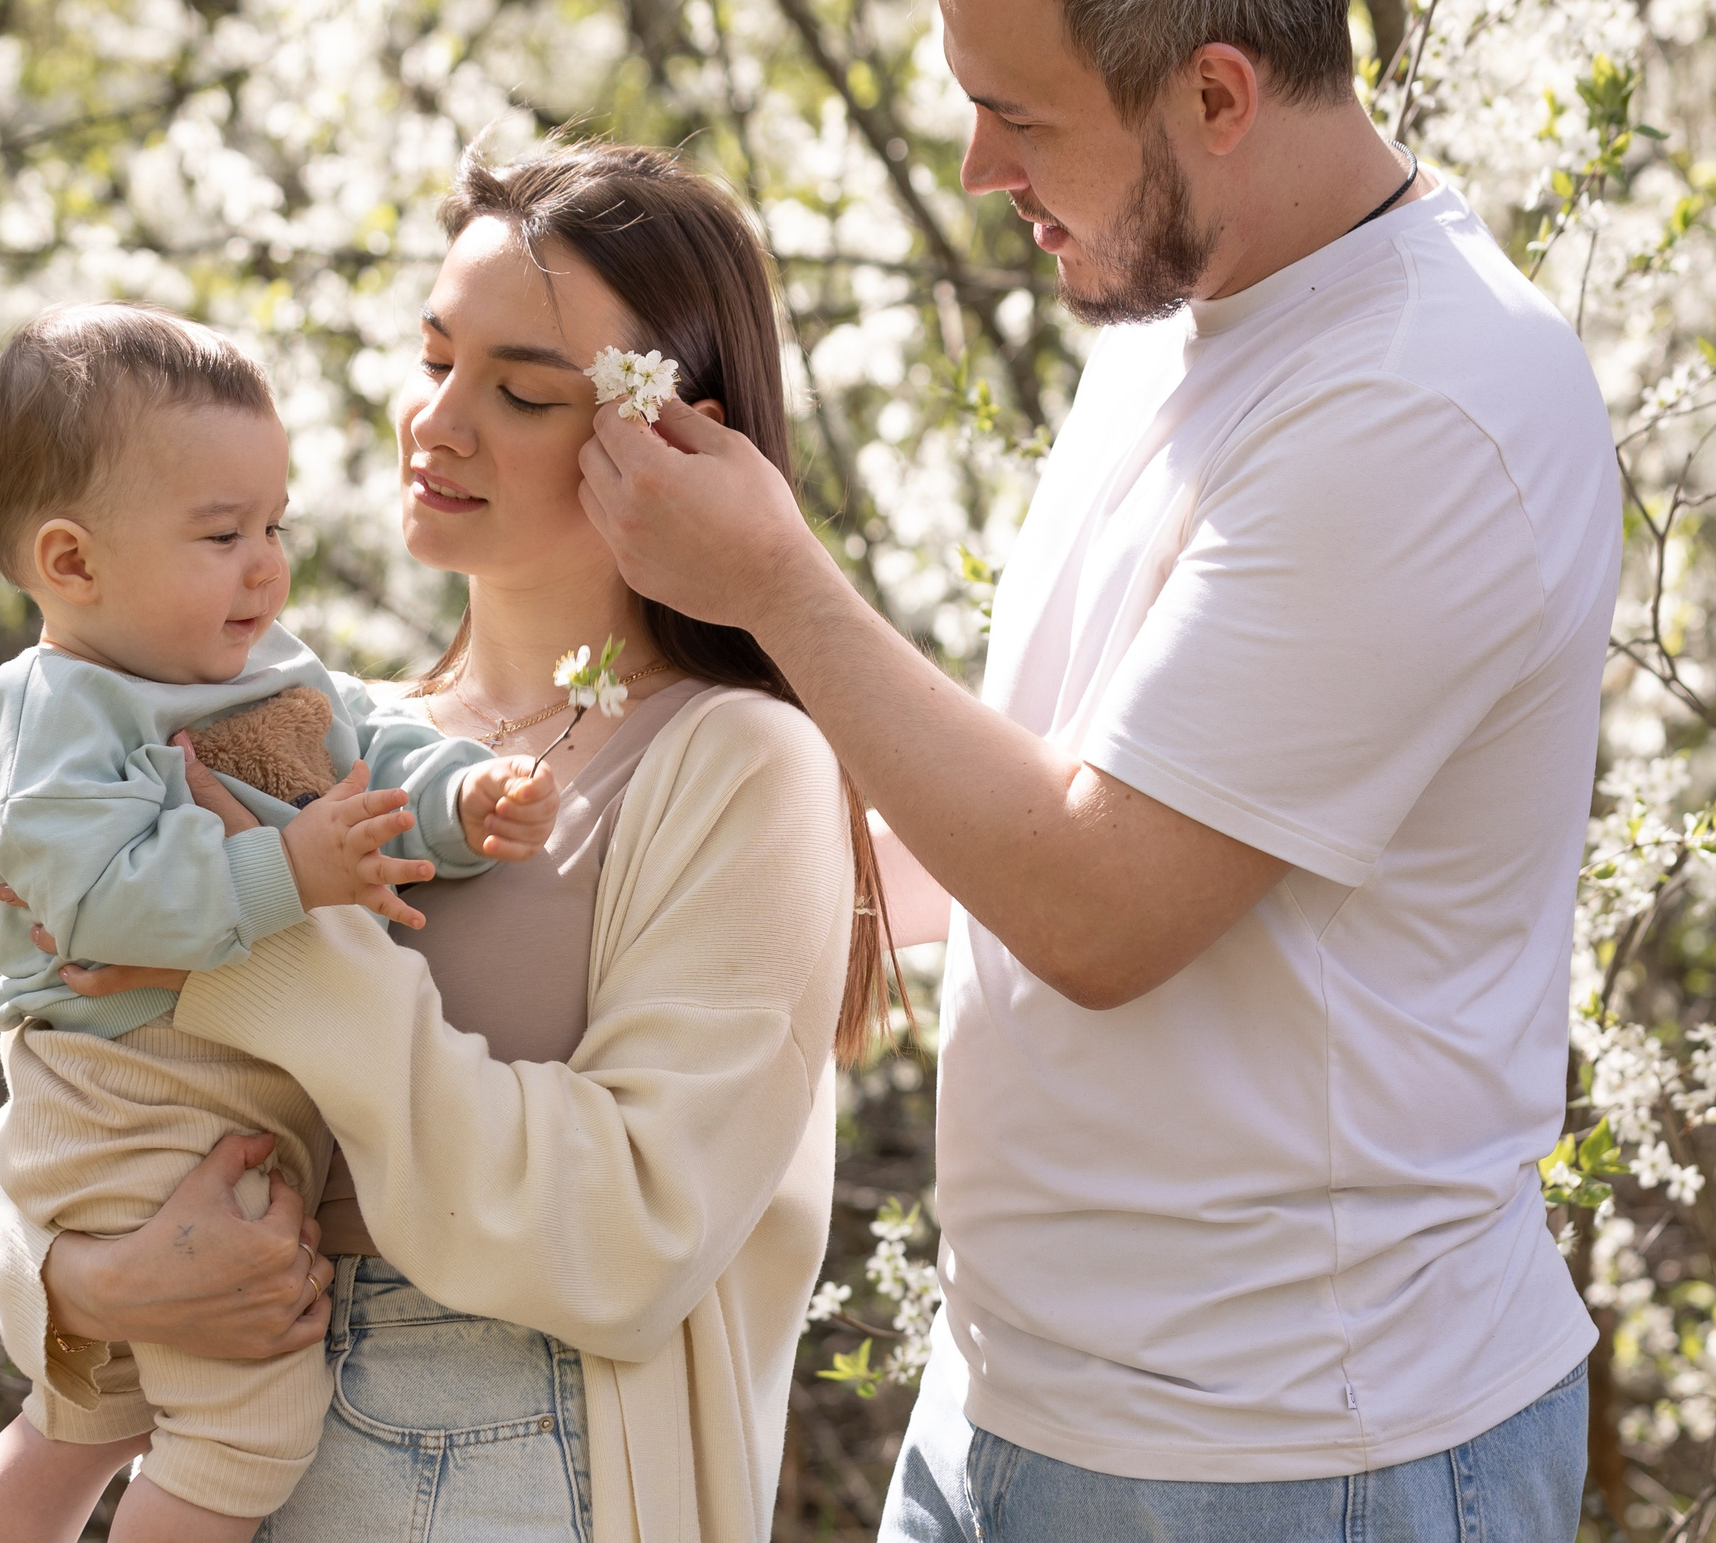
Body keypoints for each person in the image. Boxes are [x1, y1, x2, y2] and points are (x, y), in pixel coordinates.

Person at [570, 0, 1621, 1536]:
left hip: (1293, 1459)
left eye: (1025, 118)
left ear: (1215, 95)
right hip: (1018, 1403)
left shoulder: (1418, 399)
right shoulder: (1183, 308)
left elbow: (1098, 907)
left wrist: (781, 589)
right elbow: (1020, 820)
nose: (981, 167)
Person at [0, 143, 895, 1542]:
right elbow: (71, 1091)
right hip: (241, 1453)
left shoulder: (739, 764)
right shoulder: (331, 727)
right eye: (434, 358)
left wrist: (287, 943)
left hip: (512, 1473)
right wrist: (94, 1284)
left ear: (661, 435)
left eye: (517, 389)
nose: (437, 421)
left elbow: (633, 1234)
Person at [0, 302, 559, 1542]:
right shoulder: (55, 716)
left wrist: (458, 804)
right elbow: (99, 908)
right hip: (135, 1090)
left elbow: (359, 764)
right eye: (221, 534)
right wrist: (283, 869)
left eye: (274, 525)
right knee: (243, 1430)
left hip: (207, 1091)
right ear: (71, 563)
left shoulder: (260, 666)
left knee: (87, 1420)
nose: (266, 565)